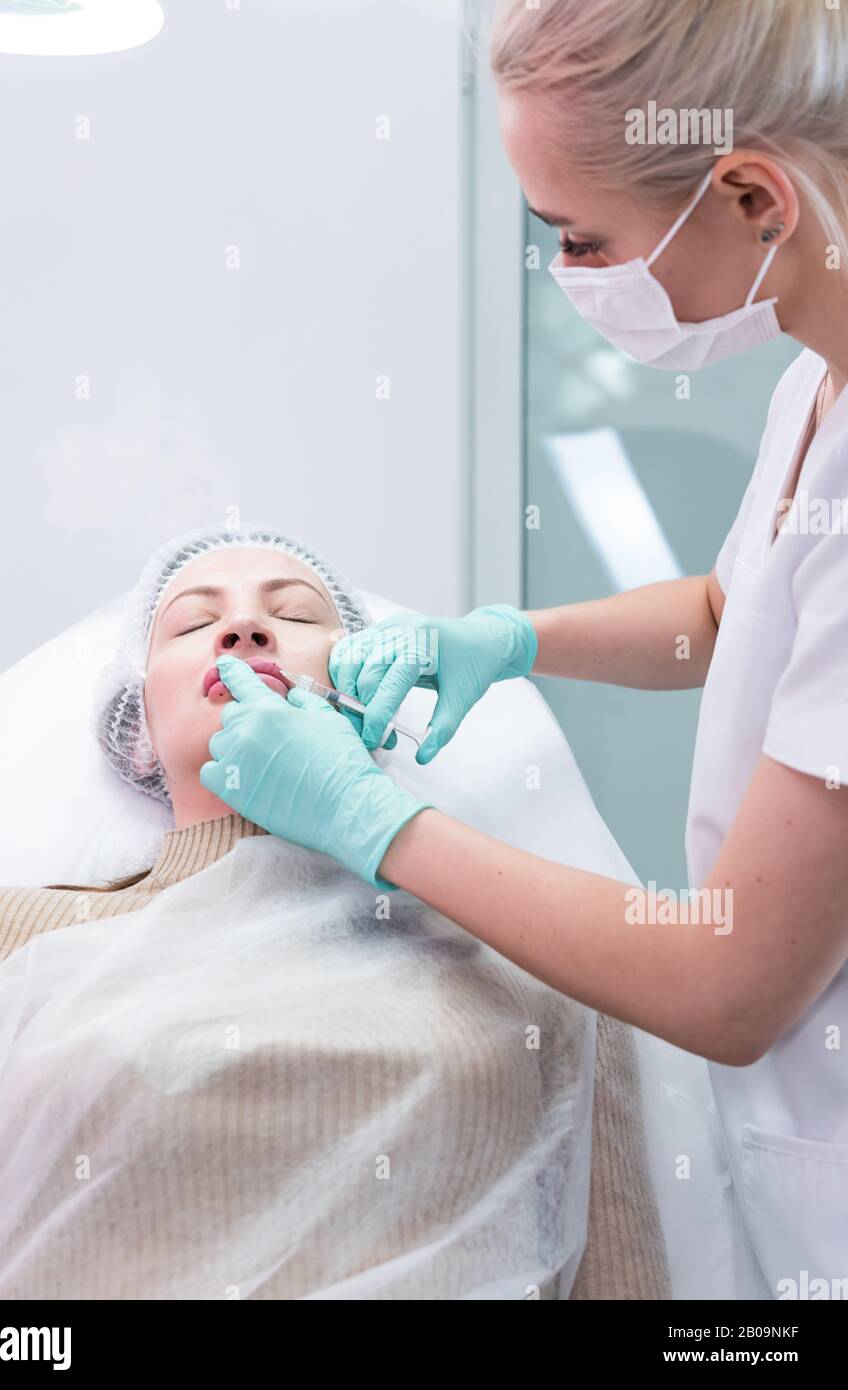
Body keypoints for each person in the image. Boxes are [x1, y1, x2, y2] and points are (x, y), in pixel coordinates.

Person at [199, 1, 848, 1300]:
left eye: (582, 237)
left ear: (754, 199)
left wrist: (373, 818)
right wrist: (504, 638)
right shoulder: (812, 382)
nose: (570, 273)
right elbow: (735, 616)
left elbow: (730, 983)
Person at [0, 524, 668, 1299]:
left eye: (300, 616)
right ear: (136, 731)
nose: (244, 630)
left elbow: (623, 1280)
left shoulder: (538, 964)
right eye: (193, 623)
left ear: (373, 693)